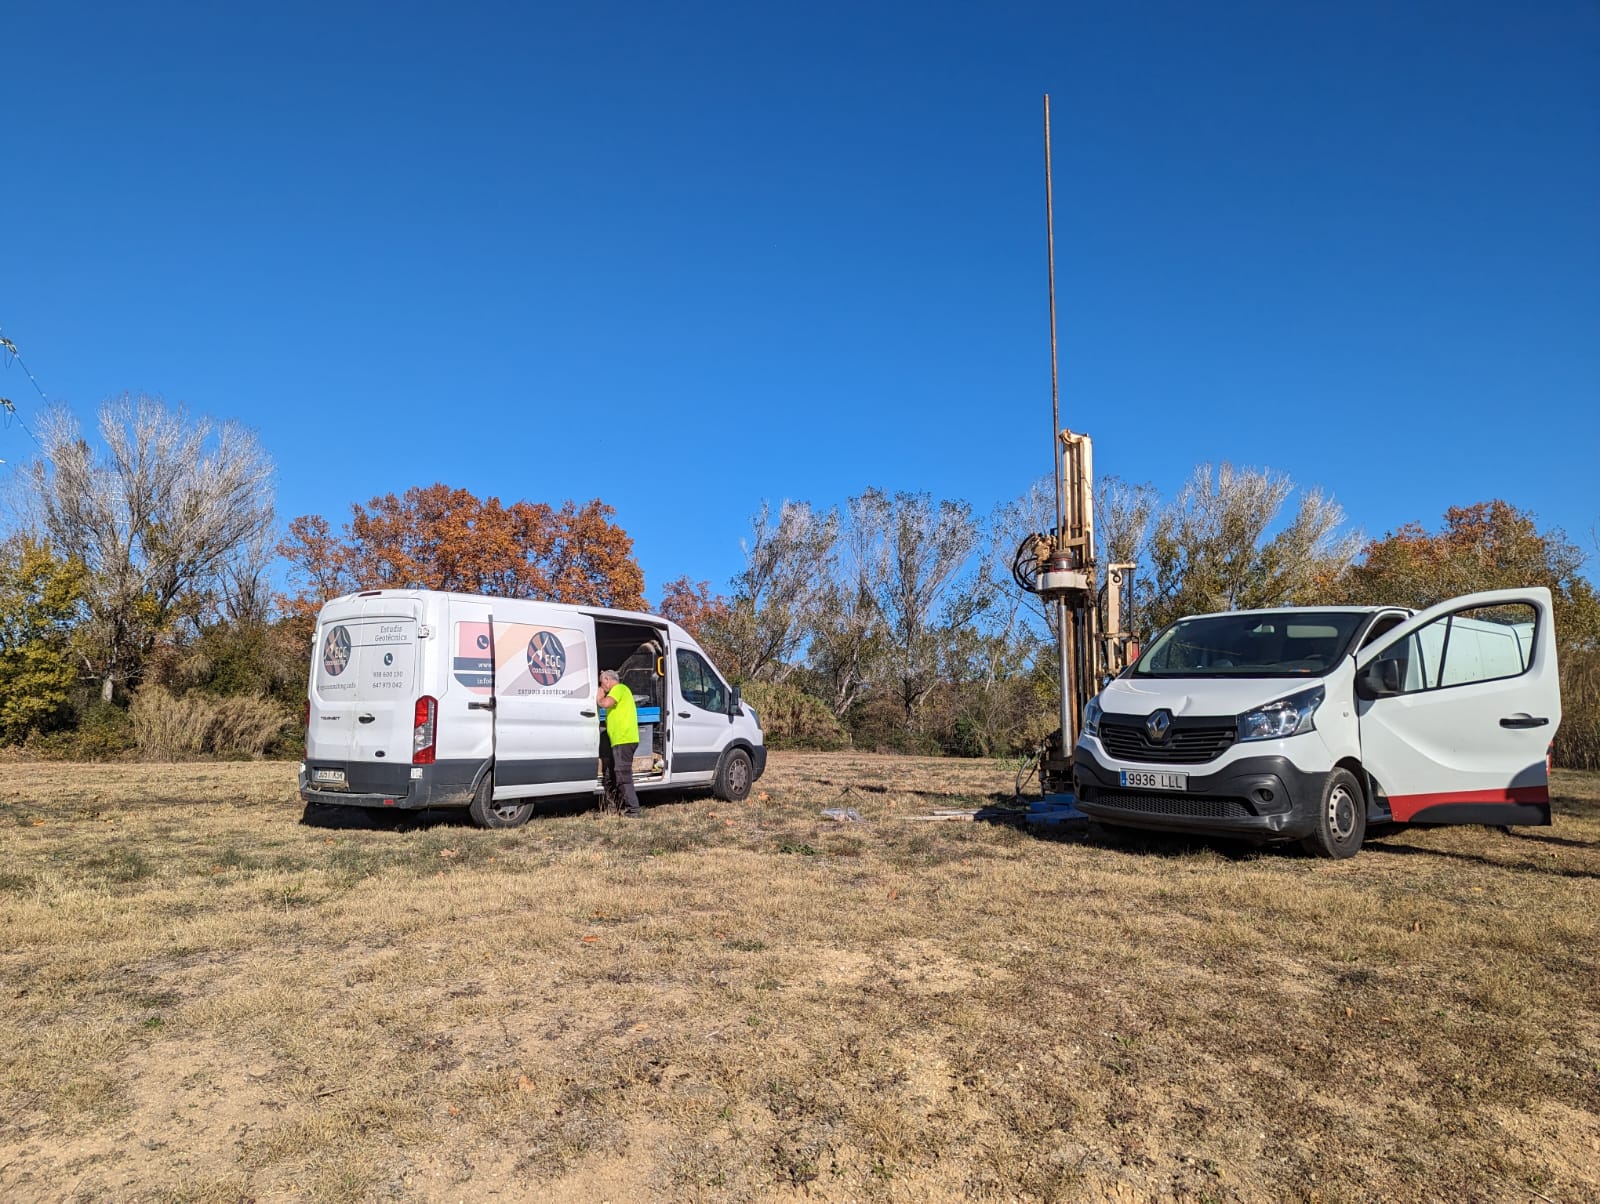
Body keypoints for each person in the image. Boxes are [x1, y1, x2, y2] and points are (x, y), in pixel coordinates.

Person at [597, 669, 641, 818]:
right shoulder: (619, 691)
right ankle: (613, 807)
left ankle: (633, 810)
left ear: (608, 680)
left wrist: (599, 695)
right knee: (611, 775)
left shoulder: (619, 689)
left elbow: (605, 703)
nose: (602, 686)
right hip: (619, 740)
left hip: (625, 739)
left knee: (622, 775)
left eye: (602, 683)